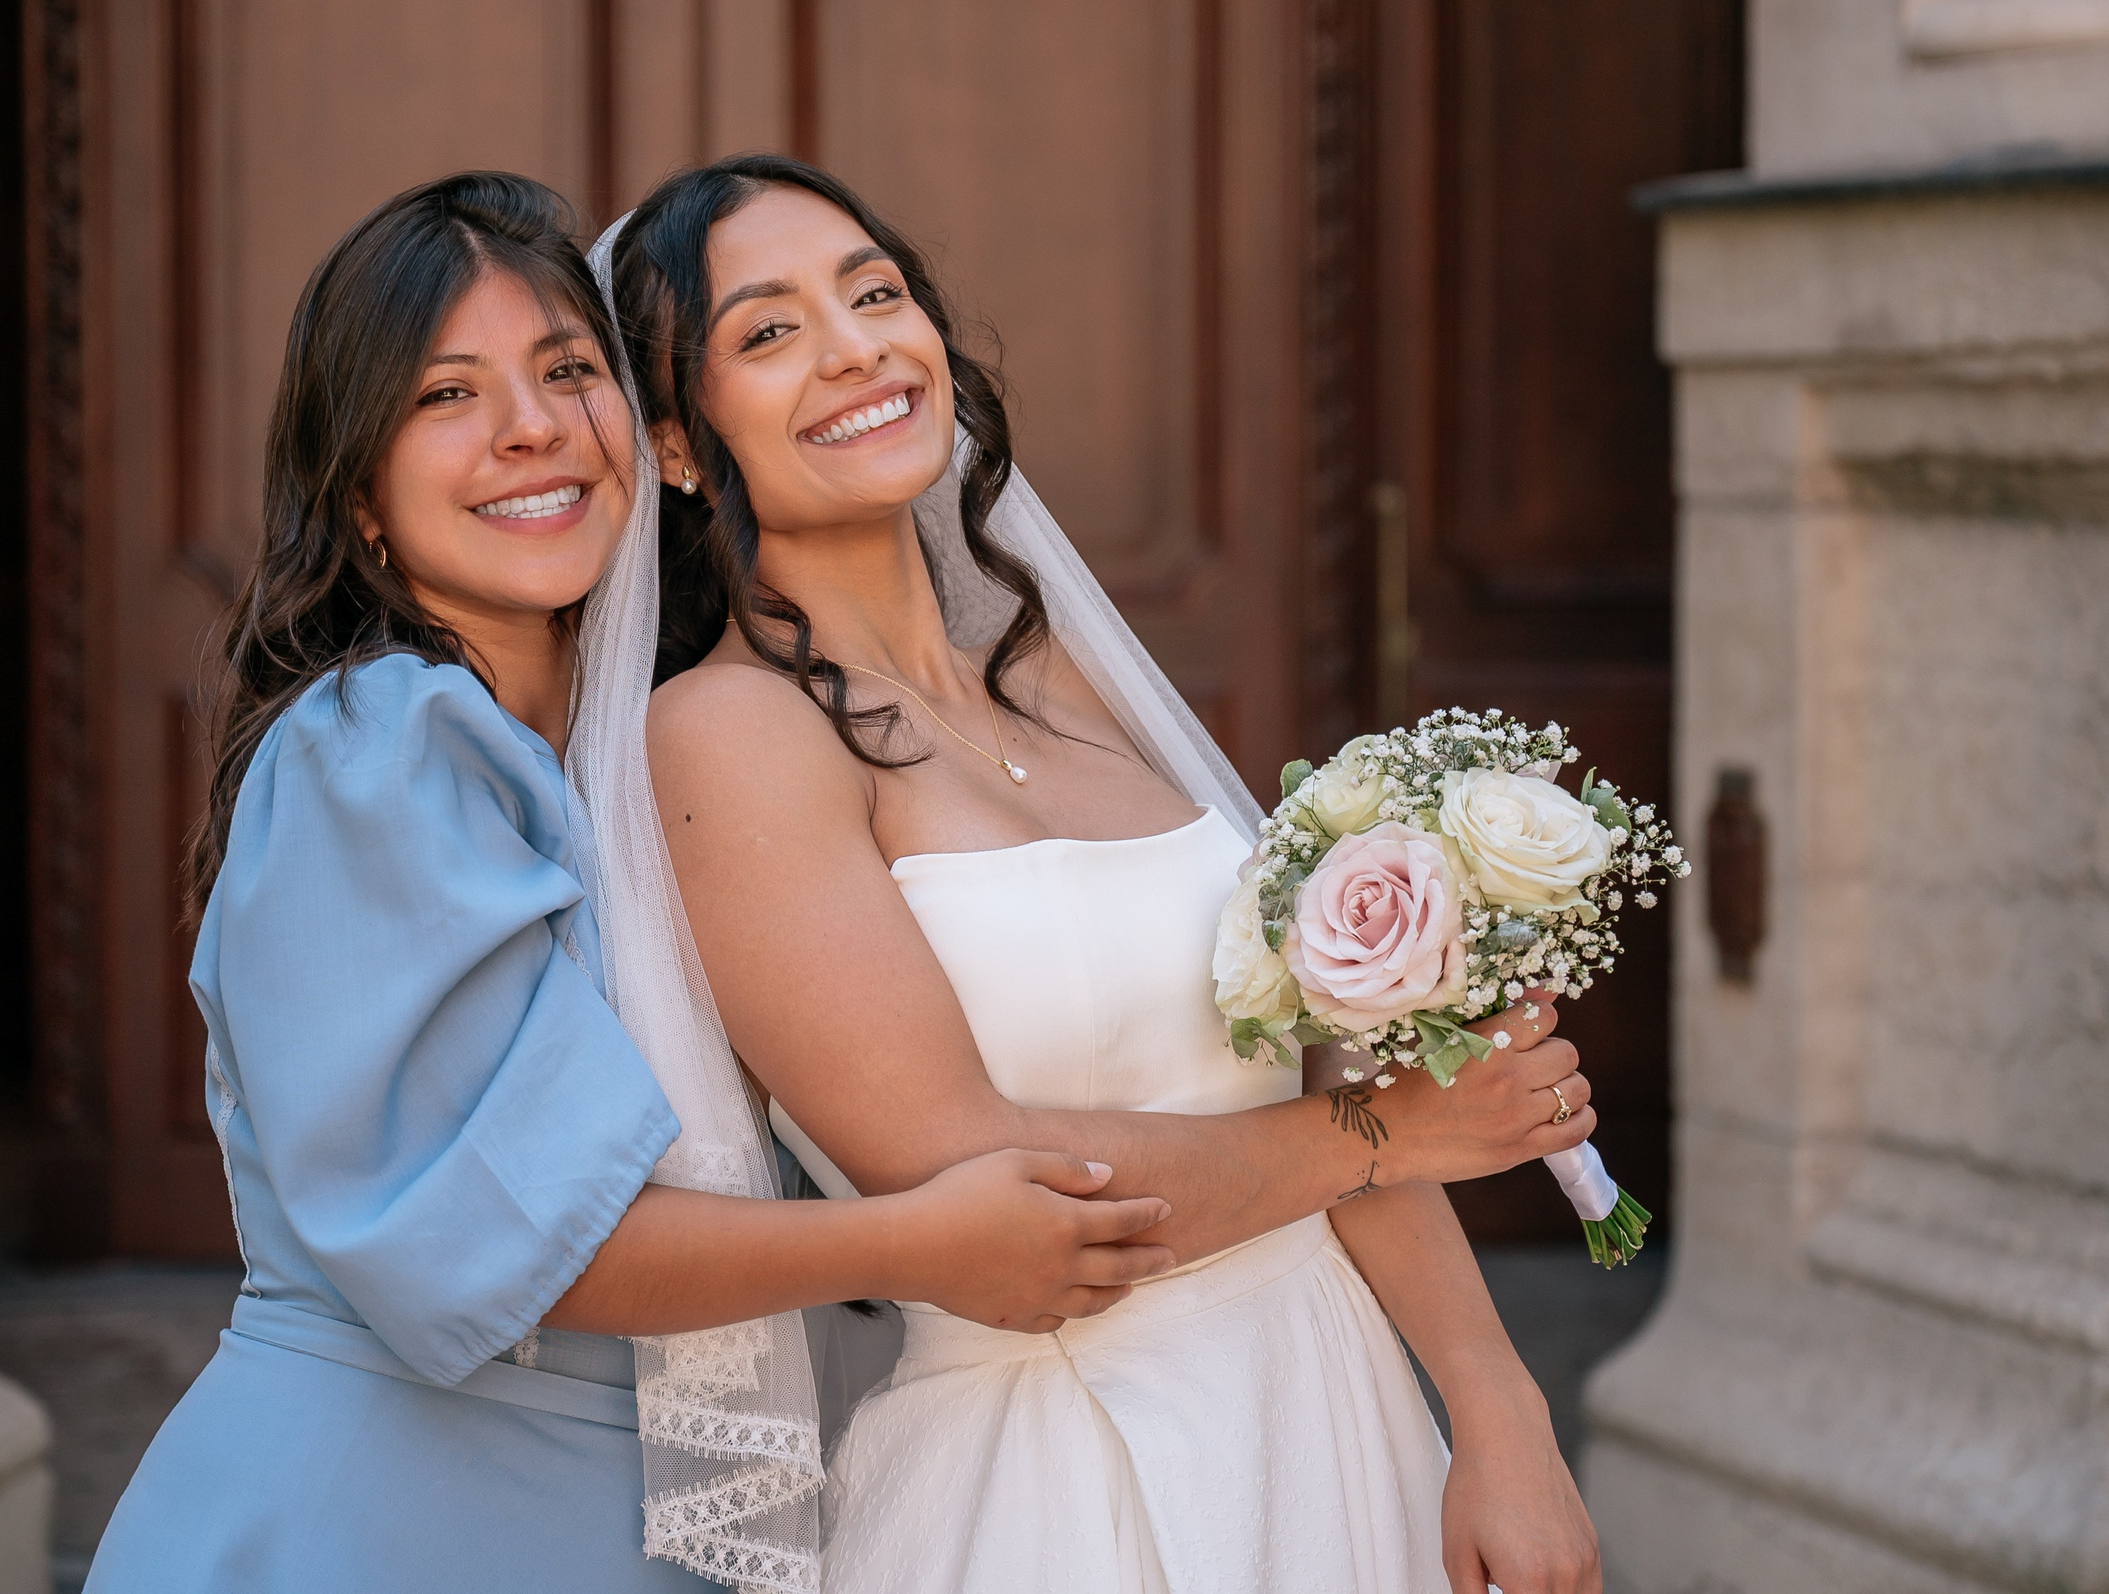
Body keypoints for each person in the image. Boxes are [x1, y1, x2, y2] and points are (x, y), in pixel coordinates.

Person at [83, 172, 1184, 1594]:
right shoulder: (384, 750)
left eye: (565, 369)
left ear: (653, 433)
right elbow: (523, 1241)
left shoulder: (666, 742)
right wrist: (917, 1240)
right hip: (381, 1522)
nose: (530, 428)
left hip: (634, 1522)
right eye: (445, 397)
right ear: (358, 496)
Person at [595, 155, 1605, 1594]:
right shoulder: (726, 736)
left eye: (874, 292)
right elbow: (966, 1175)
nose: (856, 345)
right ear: (681, 448)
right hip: (1061, 1476)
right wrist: (1400, 1132)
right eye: (769, 331)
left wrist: (1499, 1410)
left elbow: (1310, 1056)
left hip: (1328, 1406)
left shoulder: (1057, 668)